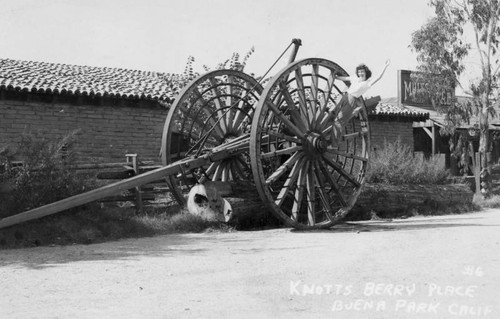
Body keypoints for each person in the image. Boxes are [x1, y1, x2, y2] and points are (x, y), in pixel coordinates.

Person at [332, 60, 390, 136]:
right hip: (345, 97)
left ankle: (334, 144)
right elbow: (345, 78)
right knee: (333, 115)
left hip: (351, 100)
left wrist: (385, 66)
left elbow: (379, 77)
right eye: (359, 72)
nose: (360, 74)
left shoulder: (367, 83)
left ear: (366, 72)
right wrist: (336, 77)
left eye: (362, 72)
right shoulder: (355, 78)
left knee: (339, 121)